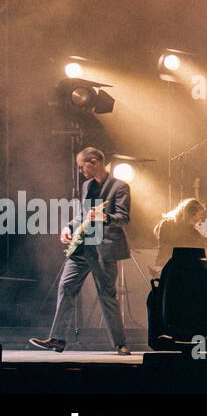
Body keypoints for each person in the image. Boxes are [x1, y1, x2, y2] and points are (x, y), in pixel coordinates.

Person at [29, 147, 131, 354]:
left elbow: (124, 217)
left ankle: (120, 344)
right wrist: (69, 227)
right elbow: (83, 215)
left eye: (82, 166)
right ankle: (58, 339)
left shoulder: (120, 187)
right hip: (83, 247)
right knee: (66, 287)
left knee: (106, 295)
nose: (81, 171)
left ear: (94, 162)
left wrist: (106, 217)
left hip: (105, 248)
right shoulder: (87, 186)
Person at [154, 198, 207, 267]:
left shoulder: (194, 230)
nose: (200, 219)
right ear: (191, 214)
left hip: (181, 267)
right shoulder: (168, 225)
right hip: (173, 267)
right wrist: (159, 265)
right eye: (199, 215)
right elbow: (164, 248)